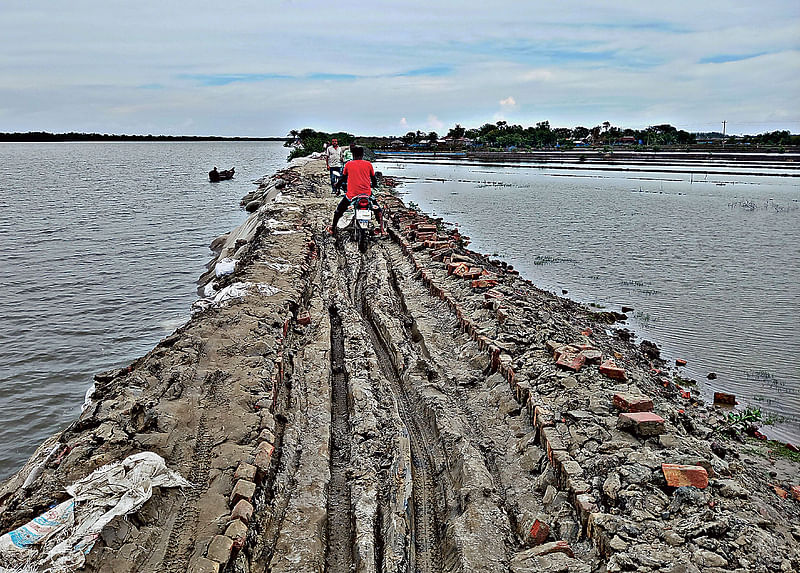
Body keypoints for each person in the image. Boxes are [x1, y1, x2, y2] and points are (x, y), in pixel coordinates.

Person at [330, 145, 384, 235]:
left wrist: (337, 184)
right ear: (362, 155)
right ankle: (382, 229)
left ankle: (333, 228)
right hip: (367, 194)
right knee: (378, 210)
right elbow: (374, 179)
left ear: (353, 154)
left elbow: (343, 178)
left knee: (339, 211)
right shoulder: (368, 164)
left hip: (351, 195)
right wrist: (373, 185)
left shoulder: (348, 164)